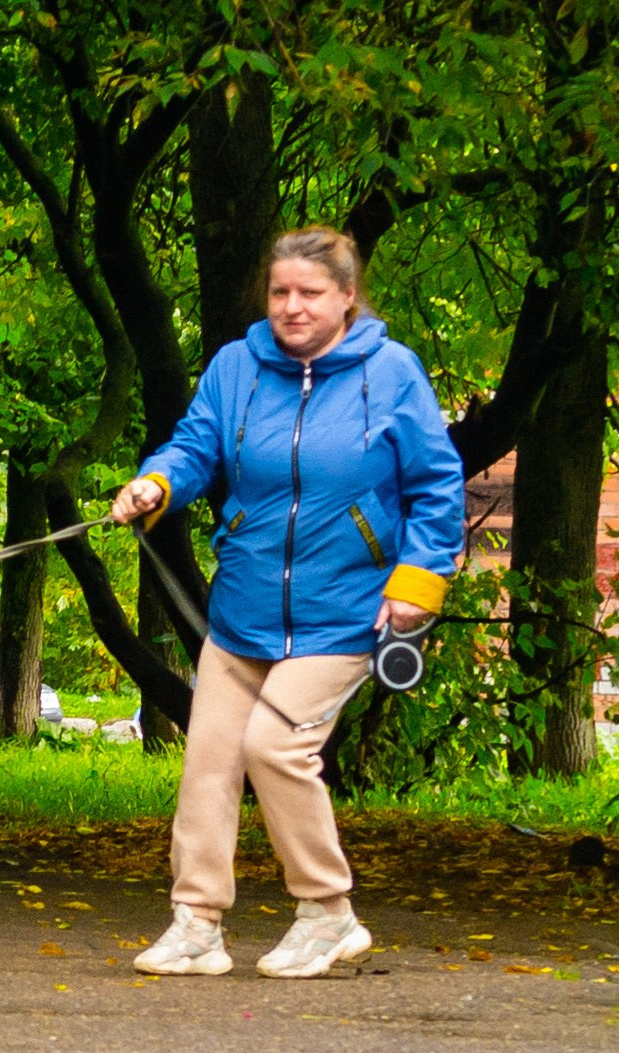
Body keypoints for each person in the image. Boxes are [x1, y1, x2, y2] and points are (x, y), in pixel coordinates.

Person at [111, 226, 464, 979]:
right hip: (244, 608)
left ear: (345, 298)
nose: (292, 307)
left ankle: (327, 912)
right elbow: (196, 445)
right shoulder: (237, 367)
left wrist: (414, 587)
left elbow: (437, 487)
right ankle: (196, 924)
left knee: (276, 749)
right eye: (280, 293)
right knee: (207, 762)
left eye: (310, 293)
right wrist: (157, 484)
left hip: (348, 611)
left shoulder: (393, 373)